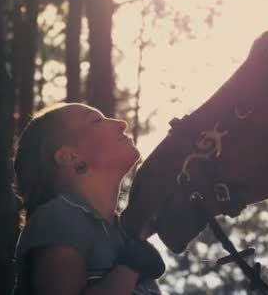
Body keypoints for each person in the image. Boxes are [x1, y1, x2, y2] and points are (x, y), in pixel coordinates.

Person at [10, 102, 165, 295]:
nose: (122, 124)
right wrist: (131, 265)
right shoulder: (58, 217)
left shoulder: (120, 232)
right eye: (96, 120)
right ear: (70, 157)